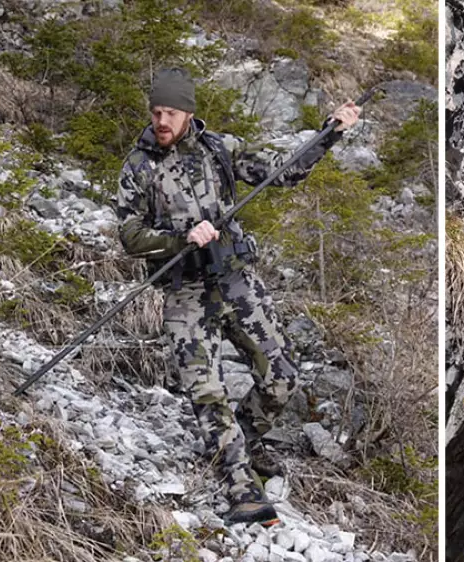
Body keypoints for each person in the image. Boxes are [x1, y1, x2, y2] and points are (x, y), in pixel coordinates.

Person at [115, 68, 361, 523]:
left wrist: (330, 133)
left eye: (169, 112)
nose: (161, 120)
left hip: (236, 280)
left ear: (187, 112)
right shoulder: (138, 167)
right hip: (184, 291)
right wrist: (181, 237)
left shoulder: (220, 149)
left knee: (282, 377)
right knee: (206, 390)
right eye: (155, 112)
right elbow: (129, 235)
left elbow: (281, 173)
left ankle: (241, 442)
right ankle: (240, 487)